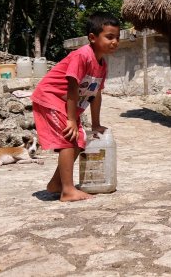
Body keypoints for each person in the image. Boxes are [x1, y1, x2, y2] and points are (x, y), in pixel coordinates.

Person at [31, 11, 120, 202]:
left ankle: (56, 184)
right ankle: (68, 191)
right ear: (92, 38)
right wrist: (71, 120)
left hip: (64, 103)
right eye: (109, 37)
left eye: (117, 38)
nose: (115, 41)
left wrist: (96, 124)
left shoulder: (102, 64)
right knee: (69, 140)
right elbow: (72, 88)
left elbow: (96, 94)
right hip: (50, 98)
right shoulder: (82, 56)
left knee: (79, 141)